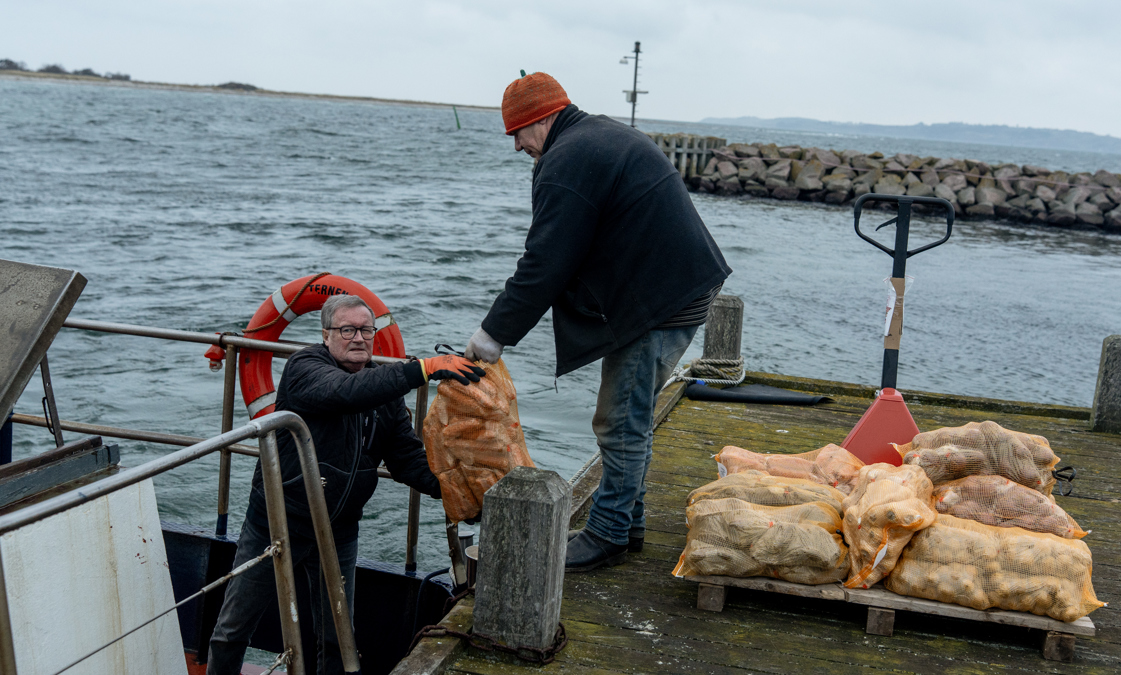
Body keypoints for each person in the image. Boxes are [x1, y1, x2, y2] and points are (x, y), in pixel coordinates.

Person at [464, 72, 731, 573]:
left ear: (543, 118)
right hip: (674, 285)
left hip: (662, 300)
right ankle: (628, 523)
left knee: (618, 420)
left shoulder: (569, 157)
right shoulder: (593, 137)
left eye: (518, 133)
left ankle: (607, 532)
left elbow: (546, 260)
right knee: (629, 415)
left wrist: (492, 335)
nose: (517, 145)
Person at [207, 294, 485, 674]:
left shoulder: (384, 395)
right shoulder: (305, 366)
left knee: (339, 639)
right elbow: (343, 393)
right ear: (326, 335)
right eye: (347, 329)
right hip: (279, 521)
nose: (358, 338)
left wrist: (458, 490)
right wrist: (424, 368)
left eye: (366, 330)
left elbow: (406, 458)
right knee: (232, 628)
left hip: (339, 529)